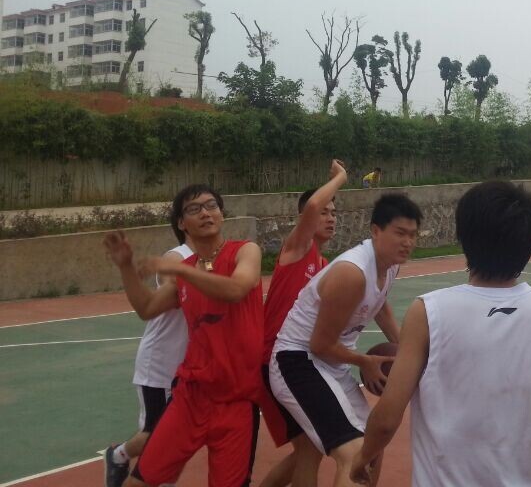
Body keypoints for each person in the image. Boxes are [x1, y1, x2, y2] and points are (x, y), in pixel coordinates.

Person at [349, 180, 531, 486]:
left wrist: (364, 456)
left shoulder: (428, 312)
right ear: (529, 243)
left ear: (464, 237)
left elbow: (388, 418)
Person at [103, 185, 264, 487]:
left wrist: (183, 271)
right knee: (139, 482)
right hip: (191, 397)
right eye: (194, 209)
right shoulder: (183, 273)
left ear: (221, 213)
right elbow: (147, 308)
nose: (205, 213)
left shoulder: (245, 251)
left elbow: (236, 289)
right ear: (181, 223)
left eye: (212, 205)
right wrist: (126, 267)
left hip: (237, 400)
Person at [269, 193, 421, 487]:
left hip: (331, 364)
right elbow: (319, 345)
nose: (408, 242)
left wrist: (407, 355)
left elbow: (382, 309)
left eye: (412, 235)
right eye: (400, 233)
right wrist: (365, 360)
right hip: (298, 361)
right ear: (375, 231)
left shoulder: (390, 265)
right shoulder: (352, 273)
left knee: (372, 445)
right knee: (353, 454)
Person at [259, 159, 348, 487]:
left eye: (334, 213)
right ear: (306, 218)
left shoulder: (324, 265)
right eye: (324, 212)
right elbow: (311, 205)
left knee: (308, 449)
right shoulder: (298, 248)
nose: (330, 217)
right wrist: (341, 177)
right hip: (273, 360)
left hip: (299, 361)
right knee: (310, 447)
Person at [103, 239, 193, 487]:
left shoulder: (216, 259)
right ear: (182, 223)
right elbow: (172, 286)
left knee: (177, 436)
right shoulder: (176, 257)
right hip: (162, 365)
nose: (208, 218)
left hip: (189, 367)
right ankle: (119, 456)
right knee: (157, 436)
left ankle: (120, 456)